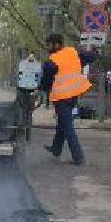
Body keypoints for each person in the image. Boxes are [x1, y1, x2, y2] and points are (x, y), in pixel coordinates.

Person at [39, 33, 91, 164]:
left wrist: (39, 90)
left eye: (49, 44)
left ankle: (78, 157)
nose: (48, 47)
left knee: (67, 126)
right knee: (62, 123)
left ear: (56, 44)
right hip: (74, 94)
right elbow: (90, 57)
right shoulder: (73, 52)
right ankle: (56, 148)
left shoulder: (52, 62)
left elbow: (46, 82)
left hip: (62, 97)